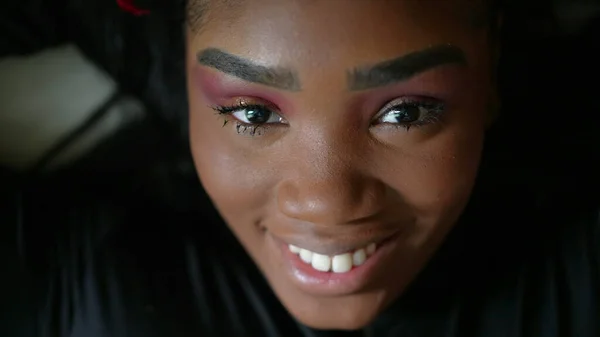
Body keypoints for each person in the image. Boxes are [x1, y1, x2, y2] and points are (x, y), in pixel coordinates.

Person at [1, 0, 599, 336]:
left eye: (405, 111)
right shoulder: (87, 282)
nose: (326, 200)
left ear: (489, 80)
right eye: (253, 113)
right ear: (183, 87)